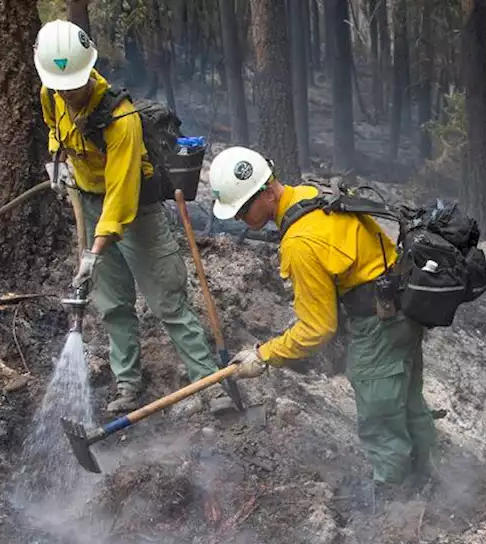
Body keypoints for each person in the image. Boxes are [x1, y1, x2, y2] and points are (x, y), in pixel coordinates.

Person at [206, 146, 435, 491]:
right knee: (408, 401)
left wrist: (263, 355)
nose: (239, 219)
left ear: (268, 192)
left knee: (381, 417)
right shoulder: (312, 193)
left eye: (242, 209)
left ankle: (394, 502)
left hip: (379, 324)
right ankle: (426, 479)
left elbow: (318, 328)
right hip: (405, 302)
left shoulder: (300, 242)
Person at [33, 20, 233, 415]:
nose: (68, 92)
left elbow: (122, 195)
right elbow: (54, 129)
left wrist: (94, 251)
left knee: (168, 300)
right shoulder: (50, 90)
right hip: (88, 199)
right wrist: (60, 162)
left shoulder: (120, 118)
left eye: (74, 84)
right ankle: (128, 384)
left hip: (134, 208)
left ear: (89, 71)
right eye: (61, 86)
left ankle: (209, 383)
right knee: (112, 304)